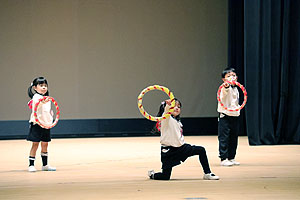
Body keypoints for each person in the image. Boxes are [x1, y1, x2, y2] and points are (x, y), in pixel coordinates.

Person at [148, 98, 219, 180]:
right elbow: (166, 113)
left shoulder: (178, 122)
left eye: (179, 106)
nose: (177, 108)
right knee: (165, 176)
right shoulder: (166, 119)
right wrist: (168, 105)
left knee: (201, 150)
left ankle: (207, 173)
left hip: (181, 148)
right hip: (168, 151)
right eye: (174, 106)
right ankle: (152, 175)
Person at [26, 77, 56, 172]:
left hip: (46, 124)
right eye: (41, 85)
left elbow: (48, 111)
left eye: (45, 86)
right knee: (35, 144)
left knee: (45, 144)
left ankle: (45, 165)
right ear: (35, 87)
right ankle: (31, 165)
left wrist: (50, 120)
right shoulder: (36, 98)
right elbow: (36, 105)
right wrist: (42, 102)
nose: (44, 87)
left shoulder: (47, 99)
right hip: (37, 124)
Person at [217, 68, 241, 167]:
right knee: (224, 137)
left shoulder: (236, 89)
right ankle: (223, 158)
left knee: (233, 137)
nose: (232, 77)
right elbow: (224, 95)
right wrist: (226, 87)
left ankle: (231, 157)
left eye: (234, 75)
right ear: (224, 79)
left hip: (234, 115)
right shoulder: (224, 88)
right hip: (225, 116)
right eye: (228, 76)